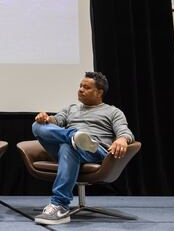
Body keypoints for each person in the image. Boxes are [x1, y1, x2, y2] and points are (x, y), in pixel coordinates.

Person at [32, 71, 135, 225]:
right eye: (80, 86)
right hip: (70, 145)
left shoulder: (113, 112)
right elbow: (57, 120)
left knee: (68, 146)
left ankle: (60, 204)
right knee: (37, 126)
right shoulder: (71, 108)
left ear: (99, 92)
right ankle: (74, 136)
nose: (80, 89)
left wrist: (122, 139)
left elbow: (125, 131)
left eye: (86, 87)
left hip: (95, 150)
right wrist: (46, 118)